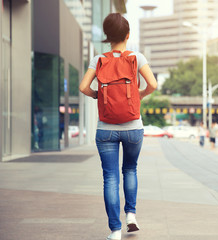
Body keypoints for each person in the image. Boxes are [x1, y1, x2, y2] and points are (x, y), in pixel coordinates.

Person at [79, 13, 157, 240]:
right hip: (133, 127)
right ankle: (131, 215)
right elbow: (152, 84)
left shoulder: (99, 60)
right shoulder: (136, 58)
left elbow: (83, 87)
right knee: (130, 169)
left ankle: (115, 230)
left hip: (106, 128)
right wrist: (139, 95)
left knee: (110, 177)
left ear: (107, 36)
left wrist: (97, 96)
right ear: (128, 34)